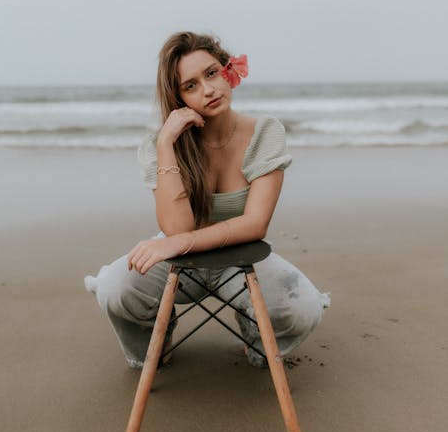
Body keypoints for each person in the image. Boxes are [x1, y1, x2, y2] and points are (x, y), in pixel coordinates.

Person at [84, 31, 329, 368]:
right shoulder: (160, 144)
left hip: (238, 255)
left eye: (211, 73)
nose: (209, 90)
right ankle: (158, 334)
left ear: (228, 70)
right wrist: (167, 143)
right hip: (178, 257)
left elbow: (256, 224)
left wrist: (179, 242)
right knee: (114, 290)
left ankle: (253, 329)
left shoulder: (265, 132)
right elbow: (177, 227)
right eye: (191, 85)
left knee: (304, 309)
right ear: (178, 98)